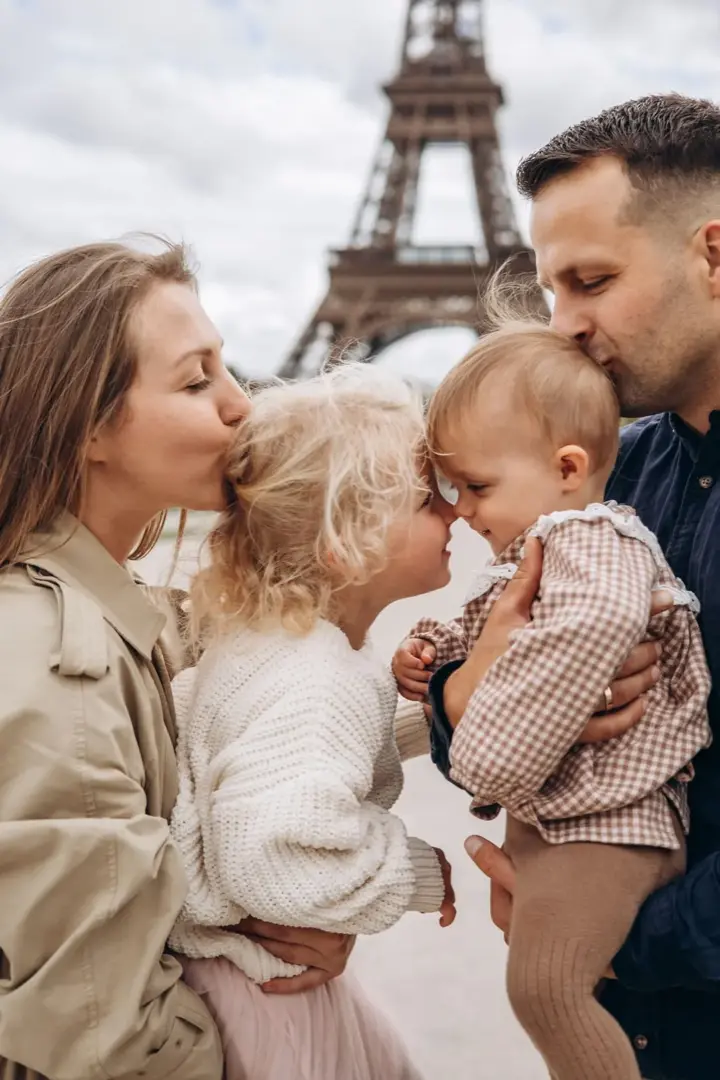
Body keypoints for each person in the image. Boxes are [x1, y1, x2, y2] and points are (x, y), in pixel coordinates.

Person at [0, 239, 355, 1080]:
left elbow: (253, 708)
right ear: (87, 425)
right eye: (196, 381)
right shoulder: (63, 666)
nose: (243, 407)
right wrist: (268, 1019)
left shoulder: (101, 606)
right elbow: (107, 1036)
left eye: (226, 371)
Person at [449, 93, 720, 1080]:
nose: (563, 329)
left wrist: (604, 940)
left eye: (591, 282)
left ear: (715, 255)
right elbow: (485, 670)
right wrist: (453, 692)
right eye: (550, 291)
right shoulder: (601, 479)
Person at [392, 323, 711, 1079]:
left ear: (567, 467)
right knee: (560, 994)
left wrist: (487, 753)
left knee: (545, 990)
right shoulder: (556, 532)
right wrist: (440, 672)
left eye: (475, 487)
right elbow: (496, 643)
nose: (462, 510)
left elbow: (593, 624)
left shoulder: (591, 539)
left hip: (611, 812)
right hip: (576, 807)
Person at [168, 364, 457, 1080]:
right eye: (426, 499)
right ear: (346, 542)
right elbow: (272, 853)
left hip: (249, 979)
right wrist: (415, 873)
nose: (453, 513)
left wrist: (437, 713)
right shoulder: (313, 677)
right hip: (269, 1002)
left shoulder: (284, 644)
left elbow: (302, 760)